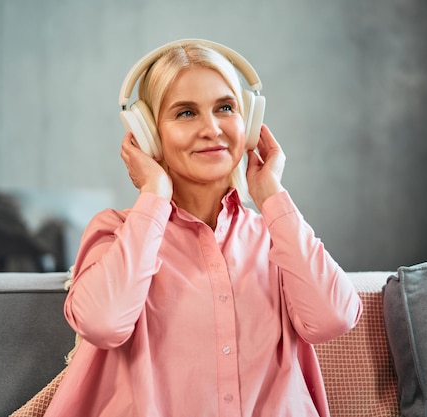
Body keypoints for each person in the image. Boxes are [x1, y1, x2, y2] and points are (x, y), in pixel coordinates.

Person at [44, 39, 362, 417]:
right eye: (185, 113)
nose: (212, 129)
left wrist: (271, 195)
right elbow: (103, 323)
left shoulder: (276, 236)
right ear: (148, 133)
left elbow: (334, 318)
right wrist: (154, 194)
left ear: (249, 123)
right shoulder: (117, 233)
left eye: (225, 107)